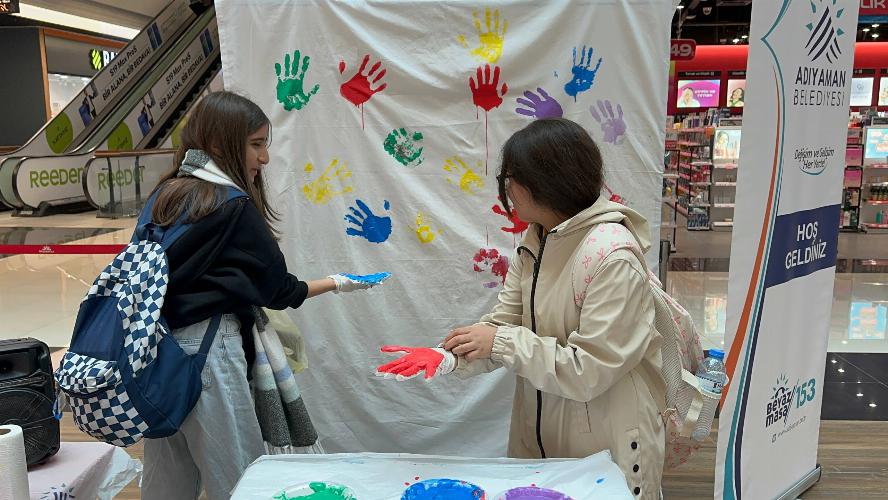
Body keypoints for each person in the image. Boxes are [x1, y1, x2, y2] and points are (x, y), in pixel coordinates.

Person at [377, 118, 667, 499]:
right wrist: (446, 356)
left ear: (546, 182)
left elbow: (589, 369)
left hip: (607, 443)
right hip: (540, 438)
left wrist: (499, 342)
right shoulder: (536, 241)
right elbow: (502, 325)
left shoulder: (612, 255)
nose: (506, 187)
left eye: (511, 176)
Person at [141, 91, 383, 499]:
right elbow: (279, 289)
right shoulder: (232, 205)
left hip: (156, 350)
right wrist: (338, 282)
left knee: (167, 480)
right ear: (220, 144)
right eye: (256, 144)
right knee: (240, 479)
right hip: (208, 354)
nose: (264, 159)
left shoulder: (165, 194)